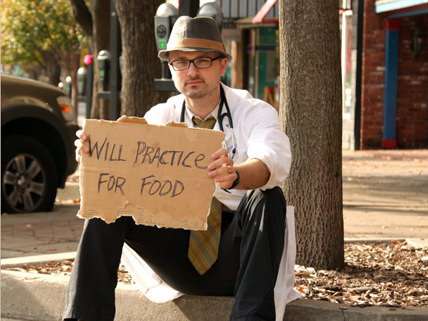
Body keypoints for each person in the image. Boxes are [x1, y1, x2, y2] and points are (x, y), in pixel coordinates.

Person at [63, 16, 297, 321]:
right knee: (109, 204)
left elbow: (274, 160)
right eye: (180, 62)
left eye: (202, 60)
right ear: (171, 68)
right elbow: (125, 168)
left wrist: (236, 175)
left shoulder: (253, 111)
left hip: (238, 255)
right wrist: (94, 154)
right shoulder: (161, 117)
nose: (191, 71)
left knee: (269, 197)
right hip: (177, 255)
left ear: (222, 64)